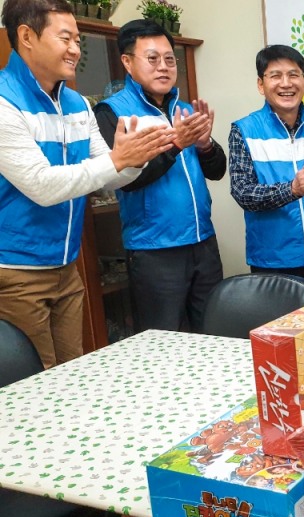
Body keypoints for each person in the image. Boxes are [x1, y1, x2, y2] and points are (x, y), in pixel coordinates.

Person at [0, 0, 174, 368]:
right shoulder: (4, 103)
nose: (76, 49)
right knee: (33, 385)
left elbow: (111, 170)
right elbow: (42, 185)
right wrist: (118, 160)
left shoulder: (77, 102)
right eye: (66, 38)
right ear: (27, 36)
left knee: (72, 372)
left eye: (78, 39)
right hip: (17, 270)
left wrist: (136, 157)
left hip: (68, 266)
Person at [94, 19, 227, 333]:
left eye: (170, 59)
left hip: (202, 242)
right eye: (152, 59)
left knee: (213, 332)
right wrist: (177, 143)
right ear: (127, 62)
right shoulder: (112, 113)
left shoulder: (183, 108)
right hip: (154, 250)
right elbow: (127, 178)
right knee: (164, 340)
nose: (164, 67)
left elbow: (217, 171)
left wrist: (205, 144)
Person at [228, 44, 304, 293]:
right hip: (270, 259)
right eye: (275, 76)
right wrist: (292, 189)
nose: (286, 83)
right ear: (261, 85)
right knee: (277, 331)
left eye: (293, 75)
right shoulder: (244, 130)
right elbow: (243, 193)